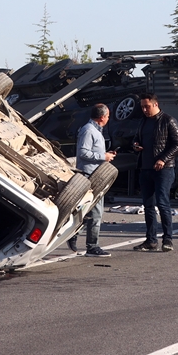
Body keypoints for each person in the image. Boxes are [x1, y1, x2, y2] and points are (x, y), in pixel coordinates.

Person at [132, 93, 178, 252]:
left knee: (162, 202)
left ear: (155, 104)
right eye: (142, 107)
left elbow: (177, 143)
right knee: (148, 205)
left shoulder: (168, 120)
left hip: (163, 169)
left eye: (147, 106)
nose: (145, 110)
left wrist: (163, 159)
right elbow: (136, 139)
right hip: (145, 168)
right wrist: (135, 145)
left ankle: (168, 239)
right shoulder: (143, 122)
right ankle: (151, 240)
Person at [67, 103, 118, 257]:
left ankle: (74, 235)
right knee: (95, 212)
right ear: (102, 117)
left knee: (89, 211)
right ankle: (92, 246)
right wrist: (103, 157)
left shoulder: (95, 131)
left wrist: (105, 155)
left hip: (95, 175)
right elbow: (83, 152)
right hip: (89, 176)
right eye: (108, 116)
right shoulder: (88, 130)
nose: (109, 119)